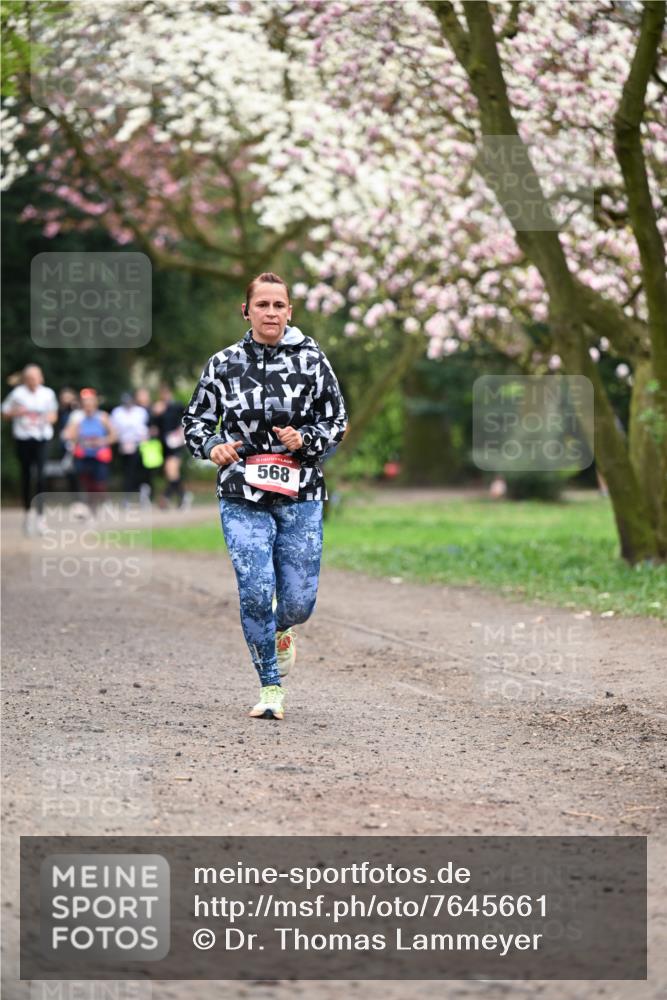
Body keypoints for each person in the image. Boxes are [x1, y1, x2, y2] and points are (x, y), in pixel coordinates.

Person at [183, 271, 347, 720]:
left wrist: (306, 439)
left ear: (289, 311)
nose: (270, 312)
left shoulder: (313, 360)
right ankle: (270, 685)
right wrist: (211, 446)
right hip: (241, 491)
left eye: (279, 305)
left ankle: (282, 630)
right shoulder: (224, 363)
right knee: (255, 590)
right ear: (247, 311)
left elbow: (336, 420)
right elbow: (194, 422)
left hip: (301, 493)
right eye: (262, 305)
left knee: (298, 602)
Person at [1, 364, 58, 534]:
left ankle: (41, 519)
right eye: (30, 378)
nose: (33, 381)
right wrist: (15, 413)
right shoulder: (17, 394)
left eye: (36, 377)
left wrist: (47, 418)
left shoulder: (48, 394)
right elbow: (4, 413)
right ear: (25, 379)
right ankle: (27, 515)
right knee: (26, 476)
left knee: (41, 476)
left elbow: (54, 416)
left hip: (42, 438)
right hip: (23, 438)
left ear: (41, 378)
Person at [61, 388, 116, 509]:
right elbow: (69, 435)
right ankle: (92, 507)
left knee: (99, 483)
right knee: (87, 483)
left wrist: (102, 441)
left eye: (91, 405)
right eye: (86, 405)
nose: (89, 408)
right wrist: (75, 438)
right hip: (84, 455)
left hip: (100, 455)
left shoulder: (103, 417)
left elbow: (114, 436)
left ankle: (103, 500)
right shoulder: (78, 419)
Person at [152, 385, 192, 509]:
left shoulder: (177, 406)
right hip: (164, 446)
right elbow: (154, 426)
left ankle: (166, 497)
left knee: (171, 471)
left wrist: (181, 431)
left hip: (175, 445)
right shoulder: (158, 409)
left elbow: (188, 418)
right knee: (172, 474)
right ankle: (183, 496)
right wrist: (155, 414)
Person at [110, 392, 150, 502]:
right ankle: (128, 496)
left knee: (139, 471)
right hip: (123, 445)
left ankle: (142, 493)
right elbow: (114, 429)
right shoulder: (117, 412)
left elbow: (144, 428)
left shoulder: (140, 412)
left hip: (138, 445)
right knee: (127, 472)